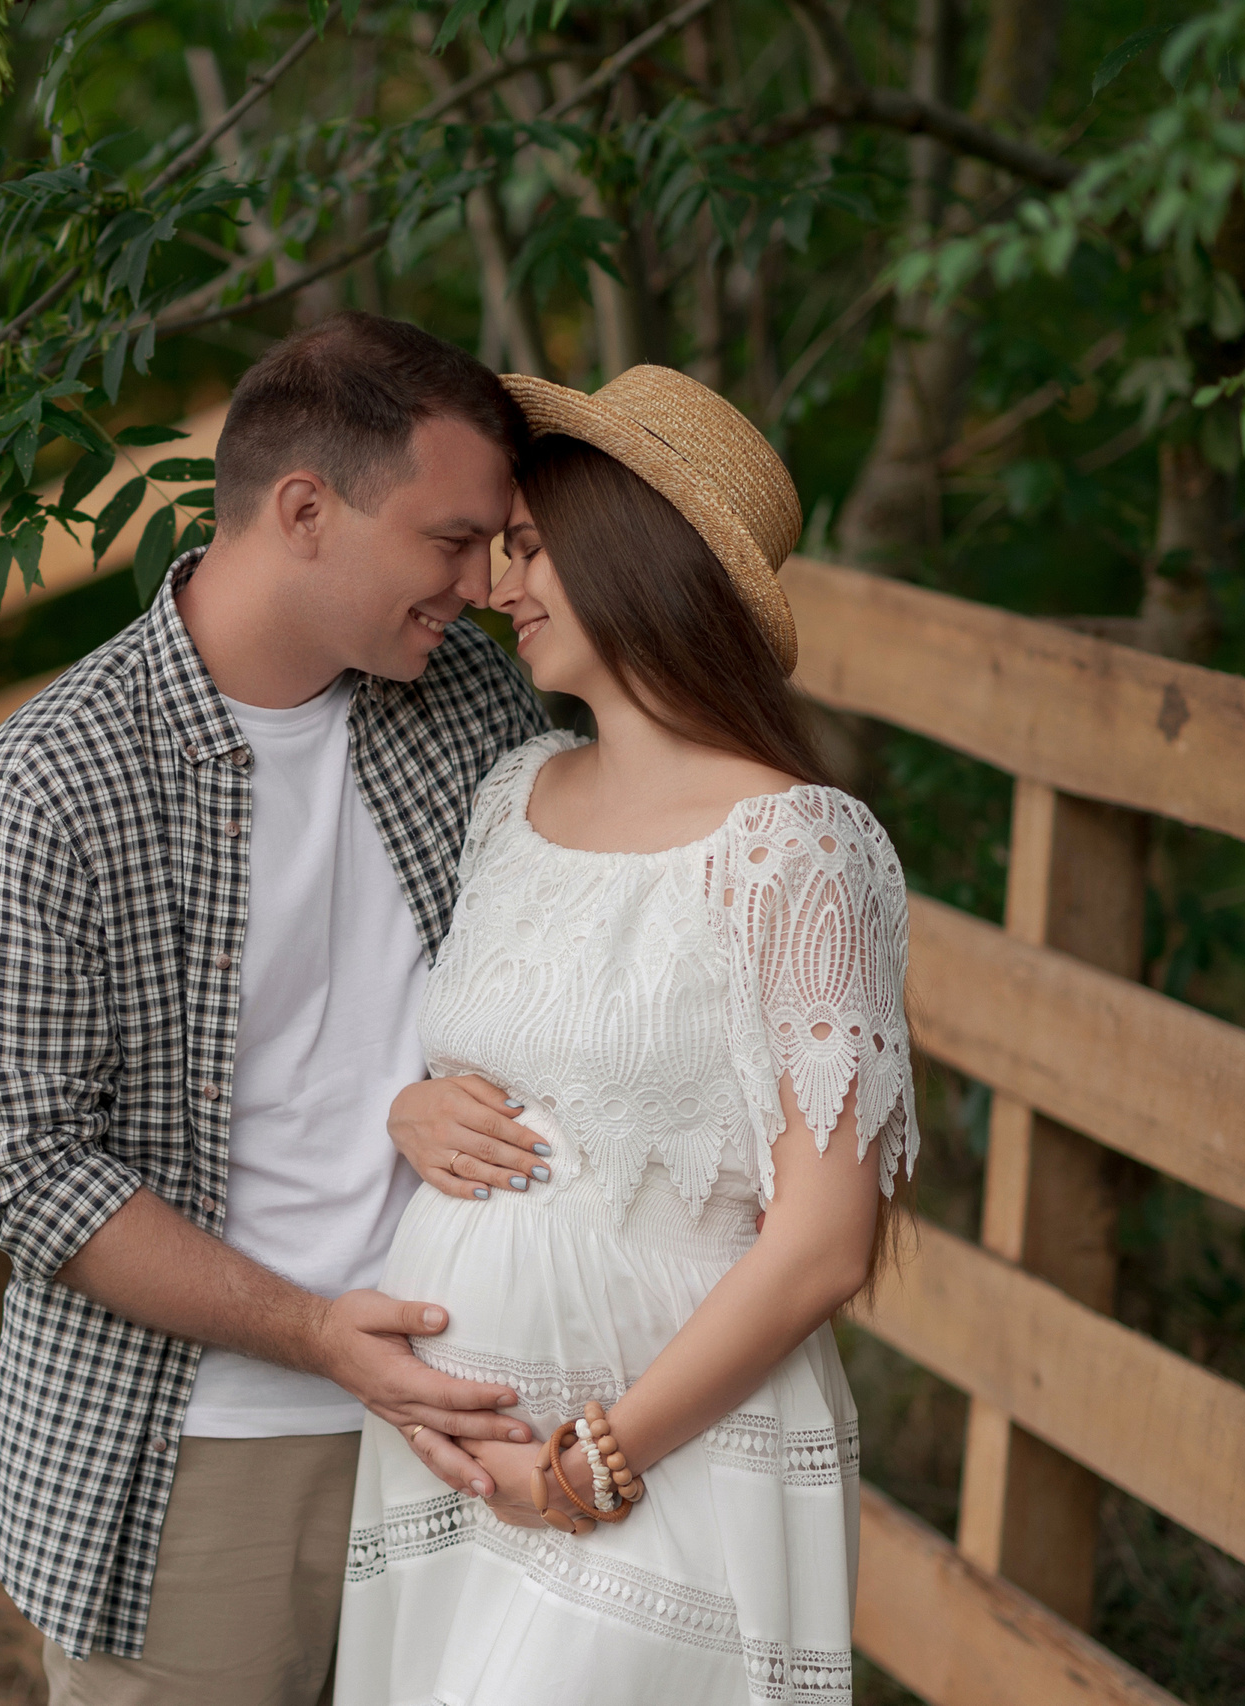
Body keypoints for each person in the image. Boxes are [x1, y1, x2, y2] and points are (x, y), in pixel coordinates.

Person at [0, 312, 554, 1705]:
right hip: (200, 1453)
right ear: (306, 511)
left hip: (478, 1407)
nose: (484, 587)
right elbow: (18, 1164)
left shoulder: (471, 705)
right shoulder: (44, 793)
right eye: (454, 541)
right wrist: (319, 1336)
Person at [336, 367, 919, 1706]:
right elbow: (507, 1062)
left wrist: (594, 1459)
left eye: (532, 548)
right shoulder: (513, 794)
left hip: (652, 1460)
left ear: (631, 556)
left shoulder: (797, 852)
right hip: (458, 1463)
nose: (500, 587)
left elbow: (823, 1242)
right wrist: (411, 1107)